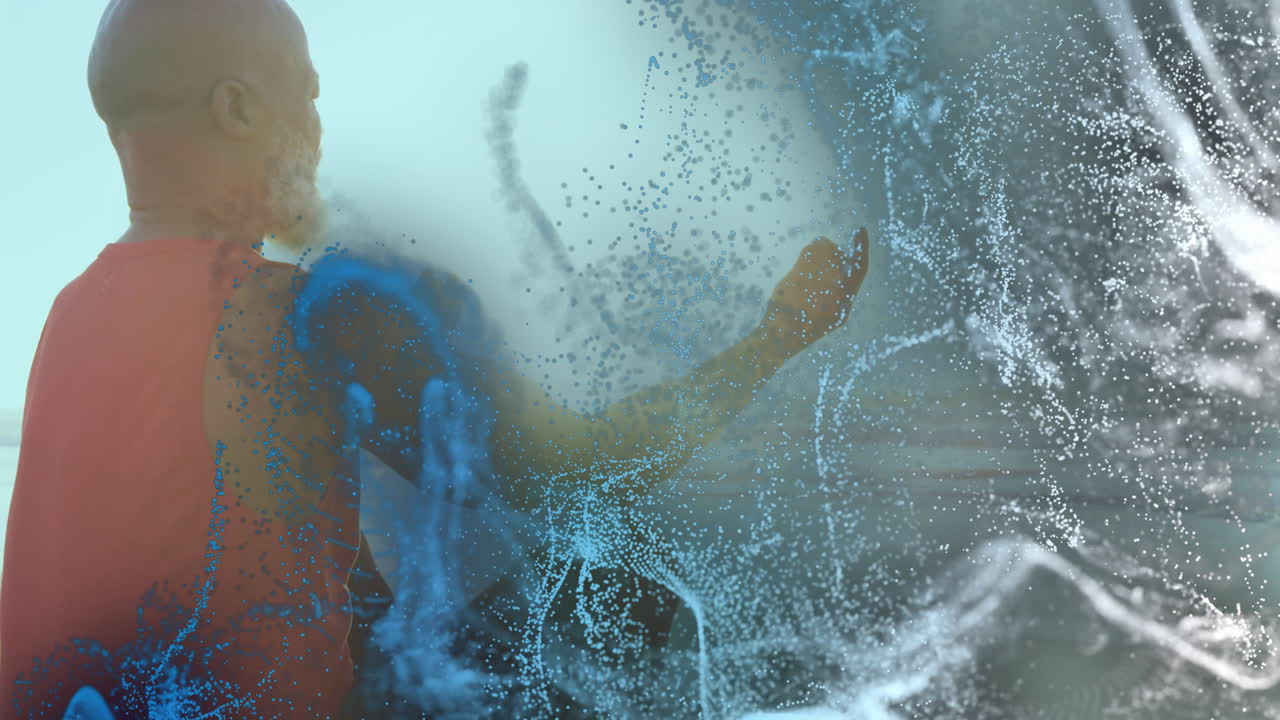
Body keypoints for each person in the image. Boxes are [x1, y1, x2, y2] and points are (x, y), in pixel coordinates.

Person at [0, 0, 869, 718]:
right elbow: (576, 472)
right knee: (605, 614)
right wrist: (778, 336)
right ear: (236, 109)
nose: (316, 129)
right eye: (304, 98)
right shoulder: (298, 314)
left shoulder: (69, 316)